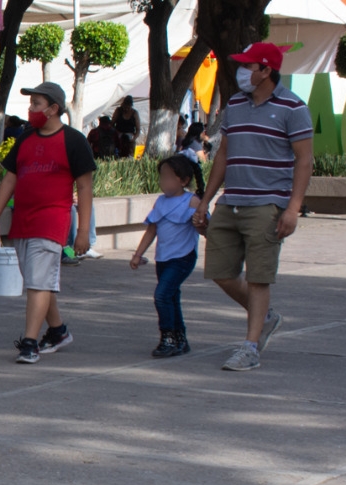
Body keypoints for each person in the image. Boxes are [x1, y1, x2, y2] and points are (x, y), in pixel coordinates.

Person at [192, 42, 313, 373]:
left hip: (268, 204)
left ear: (266, 71)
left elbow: (304, 160)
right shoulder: (234, 104)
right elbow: (224, 154)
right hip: (231, 201)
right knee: (219, 271)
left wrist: (292, 208)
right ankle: (266, 317)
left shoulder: (293, 108)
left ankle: (250, 346)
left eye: (248, 67)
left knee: (259, 278)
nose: (242, 72)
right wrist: (205, 200)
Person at [0, 82, 96, 364]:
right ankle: (57, 331)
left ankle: (30, 342)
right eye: (31, 103)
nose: (31, 109)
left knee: (38, 281)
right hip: (23, 220)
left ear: (53, 109)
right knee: (38, 281)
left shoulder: (73, 140)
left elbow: (84, 188)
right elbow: (10, 178)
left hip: (52, 220)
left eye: (36, 104)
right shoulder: (25, 138)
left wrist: (82, 232)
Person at [130, 155, 205, 358]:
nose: (164, 182)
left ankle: (168, 337)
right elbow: (152, 230)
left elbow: (204, 228)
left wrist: (201, 219)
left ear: (183, 180)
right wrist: (138, 254)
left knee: (162, 295)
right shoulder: (160, 202)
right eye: (162, 177)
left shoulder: (192, 200)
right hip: (163, 258)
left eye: (169, 177)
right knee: (171, 296)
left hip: (183, 257)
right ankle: (181, 338)